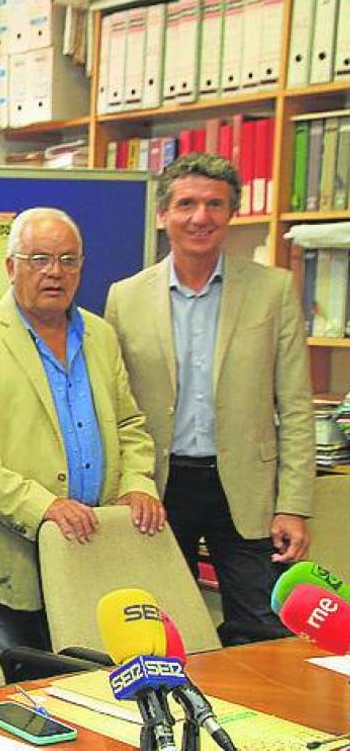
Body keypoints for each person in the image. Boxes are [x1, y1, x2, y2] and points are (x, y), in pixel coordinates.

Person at [0, 207, 163, 654]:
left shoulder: (101, 336)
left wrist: (137, 483)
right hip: (9, 565)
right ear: (10, 267)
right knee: (18, 697)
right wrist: (44, 506)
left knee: (91, 686)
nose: (54, 272)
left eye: (68, 260)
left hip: (93, 551)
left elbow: (131, 424)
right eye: (38, 259)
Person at [105, 153, 314, 644]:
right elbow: (114, 407)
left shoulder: (273, 291)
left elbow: (297, 406)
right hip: (159, 487)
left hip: (244, 486)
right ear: (163, 215)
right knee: (160, 627)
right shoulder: (125, 297)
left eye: (214, 204)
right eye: (187, 204)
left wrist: (294, 505)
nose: (201, 217)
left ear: (231, 213)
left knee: (263, 627)